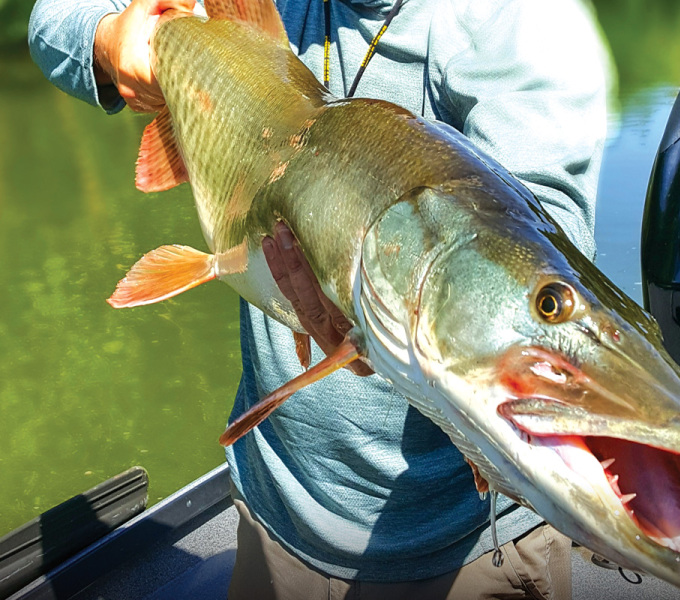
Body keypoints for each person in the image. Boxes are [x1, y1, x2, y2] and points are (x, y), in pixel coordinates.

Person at [28, 0, 614, 597]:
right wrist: (113, 41)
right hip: (273, 513)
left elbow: (544, 238)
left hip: (468, 544)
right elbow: (51, 20)